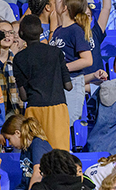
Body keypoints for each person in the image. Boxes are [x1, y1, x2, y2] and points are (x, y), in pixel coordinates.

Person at [12, 15, 72, 150]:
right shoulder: (56, 52)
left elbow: (24, 96)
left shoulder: (19, 58)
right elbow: (68, 86)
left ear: (21, 34)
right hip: (58, 107)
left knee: (37, 153)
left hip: (34, 109)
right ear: (41, 31)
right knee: (59, 154)